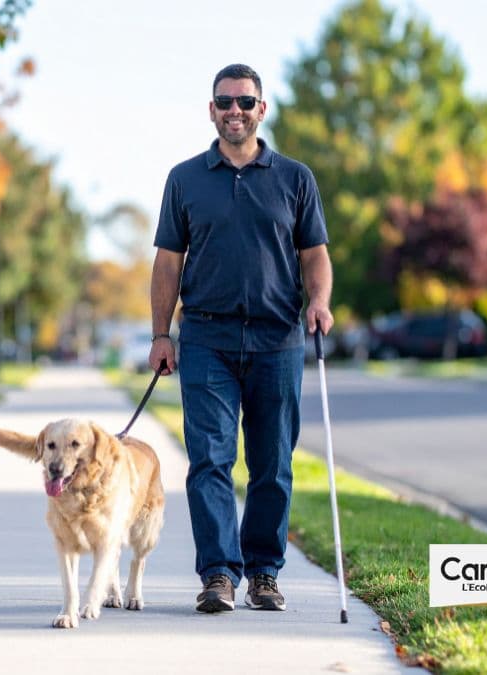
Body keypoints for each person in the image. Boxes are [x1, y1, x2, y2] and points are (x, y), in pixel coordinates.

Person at [148, 63, 333, 613]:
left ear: (261, 109)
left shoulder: (295, 178)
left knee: (272, 464)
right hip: (205, 337)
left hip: (278, 341)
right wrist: (162, 333)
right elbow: (167, 263)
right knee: (209, 459)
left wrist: (318, 303)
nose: (235, 112)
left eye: (245, 102)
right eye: (225, 102)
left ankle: (265, 573)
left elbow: (314, 254)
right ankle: (219, 575)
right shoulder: (185, 178)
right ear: (211, 110)